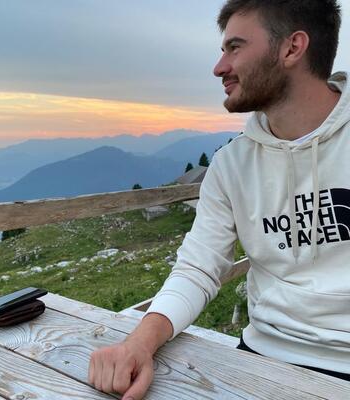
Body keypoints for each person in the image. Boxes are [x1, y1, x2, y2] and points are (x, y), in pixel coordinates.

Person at [89, 0, 350, 398]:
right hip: (261, 359)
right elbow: (198, 268)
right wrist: (138, 343)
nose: (219, 67)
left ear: (292, 48)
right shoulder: (231, 164)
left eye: (235, 47)